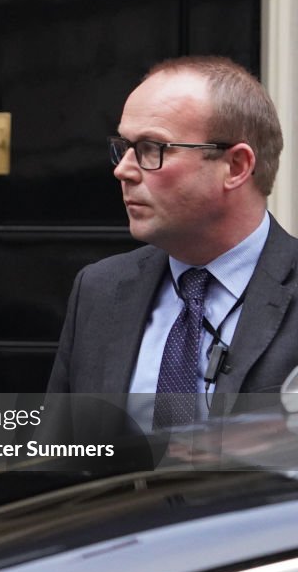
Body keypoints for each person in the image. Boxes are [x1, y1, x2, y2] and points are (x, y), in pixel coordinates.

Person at [47, 56, 297, 434]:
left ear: (236, 166)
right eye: (124, 146)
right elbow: (60, 452)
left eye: (152, 148)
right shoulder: (99, 289)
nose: (123, 169)